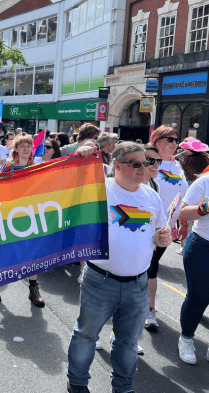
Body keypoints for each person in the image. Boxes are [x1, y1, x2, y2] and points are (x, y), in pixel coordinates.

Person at [67, 142, 171, 393]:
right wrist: (82, 154)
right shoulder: (99, 190)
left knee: (127, 342)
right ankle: (78, 384)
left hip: (137, 284)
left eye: (145, 162)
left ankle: (123, 387)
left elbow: (157, 232)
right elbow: (68, 186)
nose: (143, 167)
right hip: (99, 280)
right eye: (135, 163)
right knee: (86, 335)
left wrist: (161, 238)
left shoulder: (152, 196)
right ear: (117, 166)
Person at [0, 134, 45, 306]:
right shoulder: (8, 165)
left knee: (32, 253)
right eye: (22, 146)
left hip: (30, 215)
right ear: (16, 148)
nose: (26, 149)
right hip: (10, 214)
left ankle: (33, 289)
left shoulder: (36, 167)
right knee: (4, 251)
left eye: (28, 146)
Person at [145, 125, 188, 330]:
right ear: (156, 141)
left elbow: (182, 199)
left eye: (175, 139)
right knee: (147, 269)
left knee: (151, 268)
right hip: (143, 227)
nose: (174, 143)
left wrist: (182, 223)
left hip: (166, 229)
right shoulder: (148, 162)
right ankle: (147, 310)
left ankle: (147, 309)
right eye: (169, 139)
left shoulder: (177, 167)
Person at [178, 175, 209, 364]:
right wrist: (206, 207)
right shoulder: (205, 181)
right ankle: (186, 338)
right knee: (199, 297)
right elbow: (184, 212)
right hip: (202, 246)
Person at [175, 139, 209, 254]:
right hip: (195, 184)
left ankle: (184, 244)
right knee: (192, 216)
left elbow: (173, 159)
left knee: (187, 216)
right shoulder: (204, 157)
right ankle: (184, 242)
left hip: (192, 184)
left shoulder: (187, 157)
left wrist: (183, 154)